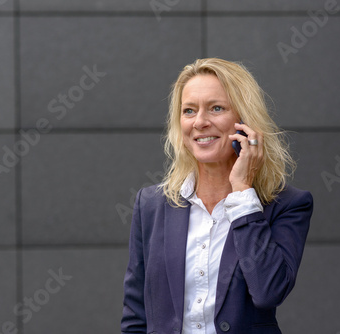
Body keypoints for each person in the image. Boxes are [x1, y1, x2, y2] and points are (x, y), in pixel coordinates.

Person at [121, 58, 313, 334]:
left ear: (245, 122)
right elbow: (135, 315)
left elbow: (268, 291)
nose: (200, 122)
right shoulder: (151, 204)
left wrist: (244, 193)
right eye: (189, 111)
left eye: (216, 108)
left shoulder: (287, 205)